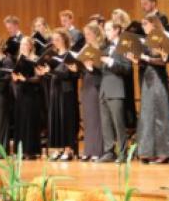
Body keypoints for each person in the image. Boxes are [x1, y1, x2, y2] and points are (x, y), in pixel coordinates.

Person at [128, 14, 169, 164]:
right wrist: (136, 60)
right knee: (147, 116)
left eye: (145, 23)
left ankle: (164, 152)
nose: (143, 26)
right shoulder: (145, 41)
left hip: (158, 80)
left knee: (161, 115)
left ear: (154, 25)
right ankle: (148, 152)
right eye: (142, 24)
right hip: (147, 80)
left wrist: (145, 58)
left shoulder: (160, 38)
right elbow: (145, 61)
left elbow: (163, 61)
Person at [38, 28, 80, 161]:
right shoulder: (53, 55)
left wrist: (52, 71)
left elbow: (70, 75)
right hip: (55, 90)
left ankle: (68, 149)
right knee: (56, 119)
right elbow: (52, 75)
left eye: (57, 39)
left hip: (66, 92)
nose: (55, 42)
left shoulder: (70, 55)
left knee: (66, 119)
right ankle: (58, 148)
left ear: (64, 40)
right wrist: (45, 72)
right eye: (53, 39)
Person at [97, 21, 133, 163]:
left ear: (117, 30)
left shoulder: (123, 46)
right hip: (104, 89)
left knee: (119, 123)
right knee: (106, 123)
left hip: (117, 89)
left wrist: (110, 62)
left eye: (108, 29)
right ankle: (109, 151)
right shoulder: (105, 48)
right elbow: (102, 68)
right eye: (105, 30)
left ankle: (123, 153)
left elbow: (127, 68)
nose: (106, 33)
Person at [11, 37, 43, 159]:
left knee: (30, 122)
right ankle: (20, 151)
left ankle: (30, 151)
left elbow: (38, 78)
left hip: (32, 94)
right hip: (21, 93)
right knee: (21, 121)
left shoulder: (35, 59)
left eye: (25, 44)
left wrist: (26, 80)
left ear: (30, 46)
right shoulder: (19, 59)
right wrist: (14, 78)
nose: (23, 46)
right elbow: (15, 76)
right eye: (22, 44)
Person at [78, 22, 104, 161]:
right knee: (87, 118)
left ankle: (97, 150)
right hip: (86, 83)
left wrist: (92, 66)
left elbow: (102, 68)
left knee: (96, 118)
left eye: (88, 34)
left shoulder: (100, 48)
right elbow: (80, 64)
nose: (86, 36)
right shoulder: (85, 48)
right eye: (85, 34)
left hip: (95, 84)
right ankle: (88, 149)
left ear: (95, 34)